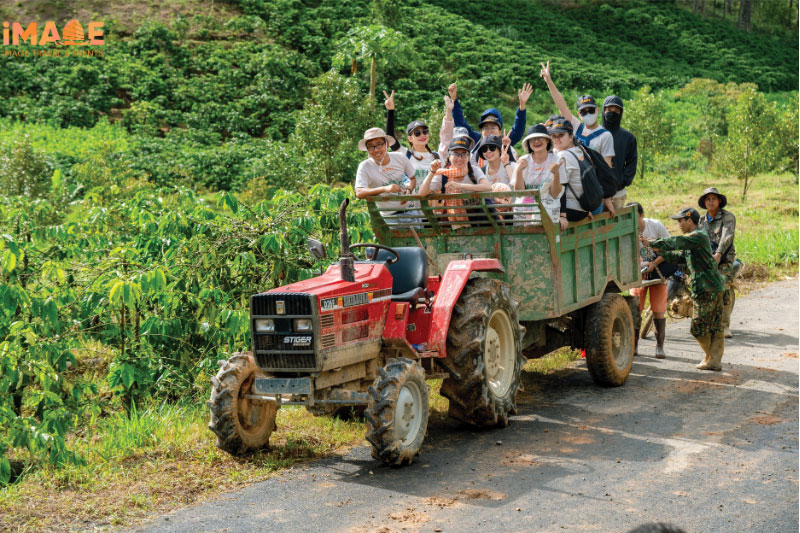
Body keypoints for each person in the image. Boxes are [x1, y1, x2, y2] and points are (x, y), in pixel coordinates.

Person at [646, 208, 726, 371]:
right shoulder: (694, 240)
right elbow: (680, 257)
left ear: (689, 220)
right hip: (709, 286)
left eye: (681, 221)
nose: (679, 224)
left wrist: (652, 243)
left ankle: (712, 358)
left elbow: (676, 241)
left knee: (698, 326)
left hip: (708, 287)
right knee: (714, 326)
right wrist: (662, 253)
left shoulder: (698, 236)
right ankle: (713, 359)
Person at [540, 61, 616, 215]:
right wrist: (549, 81)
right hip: (576, 191)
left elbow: (604, 169)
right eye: (583, 112)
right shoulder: (576, 128)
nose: (587, 114)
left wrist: (606, 198)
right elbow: (562, 105)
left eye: (590, 110)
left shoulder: (605, 135)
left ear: (596, 110)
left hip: (592, 192)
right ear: (579, 114)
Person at [447, 82, 532, 162]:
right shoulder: (477, 140)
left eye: (493, 127)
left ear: (500, 131)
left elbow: (518, 129)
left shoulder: (505, 141)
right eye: (486, 128)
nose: (489, 130)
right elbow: (461, 124)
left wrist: (522, 106)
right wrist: (454, 99)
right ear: (481, 131)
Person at [631, 203, 671, 359]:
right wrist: (641, 264)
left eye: (635, 218)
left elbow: (668, 247)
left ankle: (659, 347)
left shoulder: (655, 226)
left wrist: (654, 264)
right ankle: (633, 346)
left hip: (658, 273)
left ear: (642, 215)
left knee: (658, 310)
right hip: (638, 275)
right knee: (635, 310)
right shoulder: (625, 230)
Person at [354, 127, 418, 222]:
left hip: (411, 210)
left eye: (379, 144)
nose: (375, 150)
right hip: (389, 216)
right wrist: (385, 188)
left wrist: (408, 191)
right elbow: (359, 192)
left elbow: (413, 178)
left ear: (387, 144)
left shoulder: (400, 157)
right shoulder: (365, 166)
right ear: (367, 149)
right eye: (371, 146)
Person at [698, 187, 737, 338]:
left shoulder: (728, 217)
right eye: (708, 199)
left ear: (719, 201)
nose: (711, 202)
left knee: (723, 287)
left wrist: (719, 254)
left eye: (714, 199)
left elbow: (727, 236)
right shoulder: (702, 220)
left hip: (724, 258)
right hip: (707, 259)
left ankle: (724, 326)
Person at [512, 123, 567, 230]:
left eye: (540, 138)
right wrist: (519, 171)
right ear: (528, 143)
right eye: (532, 139)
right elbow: (519, 193)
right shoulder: (523, 161)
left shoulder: (557, 161)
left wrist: (556, 174)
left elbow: (556, 194)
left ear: (547, 140)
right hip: (524, 215)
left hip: (549, 213)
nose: (536, 141)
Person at [547, 116, 591, 223]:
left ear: (571, 137)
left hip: (570, 210)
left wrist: (562, 215)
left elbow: (561, 187)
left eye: (561, 135)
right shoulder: (580, 150)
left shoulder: (562, 156)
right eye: (554, 136)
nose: (557, 139)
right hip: (584, 208)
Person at [602, 95, 638, 211]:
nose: (612, 113)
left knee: (615, 228)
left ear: (621, 113)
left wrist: (621, 182)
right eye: (609, 110)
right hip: (596, 195)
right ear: (603, 111)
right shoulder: (594, 135)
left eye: (616, 111)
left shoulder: (628, 137)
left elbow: (632, 163)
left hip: (618, 194)